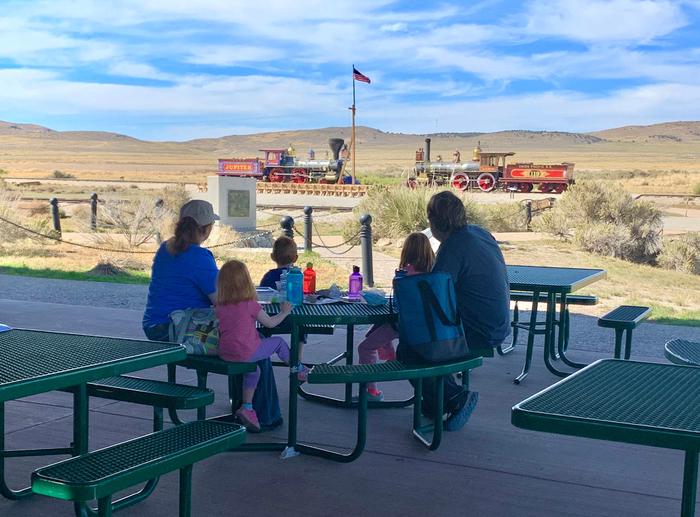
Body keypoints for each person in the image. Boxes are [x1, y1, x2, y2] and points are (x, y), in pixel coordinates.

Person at [143, 200, 284, 430]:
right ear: (206, 229)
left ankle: (246, 406)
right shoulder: (199, 257)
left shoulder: (165, 248)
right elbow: (225, 301)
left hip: (156, 327)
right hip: (179, 332)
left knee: (241, 339)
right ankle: (262, 416)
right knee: (253, 347)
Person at [397, 191, 510, 432]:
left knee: (410, 348)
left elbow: (435, 298)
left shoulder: (452, 248)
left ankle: (453, 397)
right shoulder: (479, 233)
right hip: (497, 325)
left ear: (434, 222)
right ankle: (435, 403)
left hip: (477, 331)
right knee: (421, 342)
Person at [216, 260, 308, 432]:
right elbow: (271, 324)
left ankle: (247, 407)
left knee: (254, 371)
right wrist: (285, 312)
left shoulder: (220, 306)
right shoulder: (250, 305)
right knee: (278, 343)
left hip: (226, 352)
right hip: (246, 351)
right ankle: (298, 369)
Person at [357, 232, 435, 401]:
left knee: (365, 347)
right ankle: (390, 356)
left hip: (402, 325)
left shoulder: (403, 276)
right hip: (423, 326)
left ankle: (371, 391)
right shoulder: (433, 275)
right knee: (373, 334)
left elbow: (400, 306)